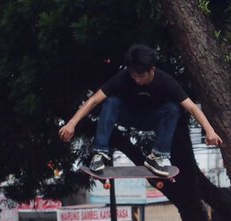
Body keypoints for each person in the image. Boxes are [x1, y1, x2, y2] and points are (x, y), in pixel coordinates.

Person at [58, 44, 222, 177]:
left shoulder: (166, 81)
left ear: (152, 69)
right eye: (134, 76)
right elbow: (94, 100)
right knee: (111, 102)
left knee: (173, 109)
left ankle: (157, 156)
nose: (137, 80)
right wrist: (72, 123)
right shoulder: (123, 77)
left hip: (152, 118)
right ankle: (99, 153)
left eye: (141, 76)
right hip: (128, 116)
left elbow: (192, 107)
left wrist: (210, 131)